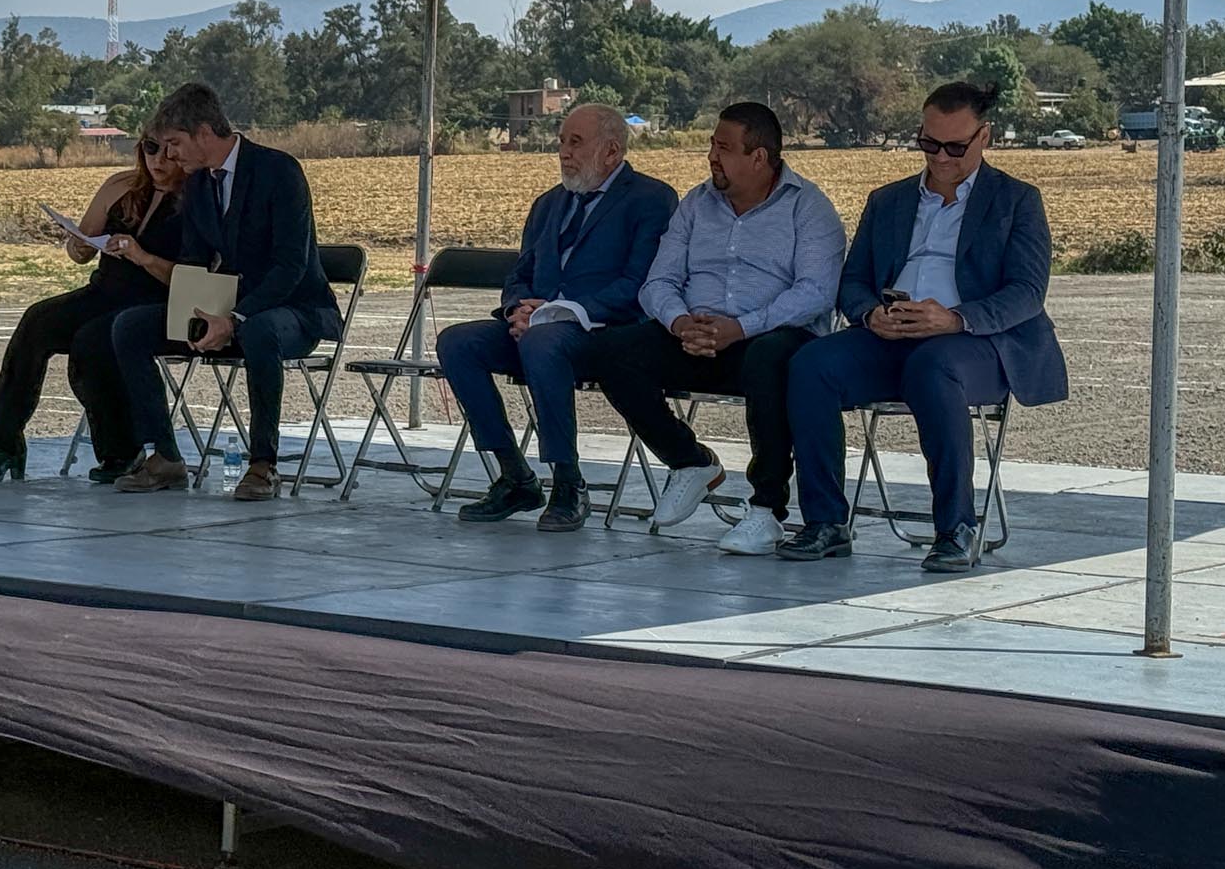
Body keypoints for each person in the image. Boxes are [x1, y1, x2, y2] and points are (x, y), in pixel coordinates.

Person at [778, 81, 1068, 572]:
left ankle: (956, 528)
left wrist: (955, 318)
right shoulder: (888, 200)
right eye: (929, 144)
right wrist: (871, 314)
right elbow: (853, 280)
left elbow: (1026, 292)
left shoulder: (1016, 200)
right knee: (810, 364)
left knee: (933, 366)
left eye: (955, 147)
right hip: (891, 335)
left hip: (974, 343)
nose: (940, 157)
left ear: (984, 137)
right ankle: (825, 522)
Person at [587, 102, 845, 553]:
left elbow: (815, 293)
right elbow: (658, 281)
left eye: (723, 148)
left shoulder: (808, 208)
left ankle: (766, 510)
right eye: (711, 145)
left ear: (759, 157)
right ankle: (689, 461)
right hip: (697, 336)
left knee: (772, 358)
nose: (711, 157)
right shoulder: (696, 204)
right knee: (610, 350)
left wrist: (741, 327)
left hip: (769, 339)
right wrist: (680, 322)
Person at [436, 105, 678, 531]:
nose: (564, 152)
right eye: (562, 141)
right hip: (537, 329)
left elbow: (639, 284)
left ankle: (569, 483)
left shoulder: (651, 199)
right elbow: (520, 274)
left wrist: (555, 314)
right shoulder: (549, 204)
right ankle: (515, 476)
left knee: (543, 341)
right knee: (458, 342)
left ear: (611, 151)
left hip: (605, 334)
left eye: (576, 143)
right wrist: (517, 309)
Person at [108, 82, 342, 500]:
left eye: (175, 143)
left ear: (203, 133)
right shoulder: (198, 185)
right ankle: (164, 456)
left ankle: (263, 464)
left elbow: (290, 265)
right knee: (130, 327)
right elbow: (195, 261)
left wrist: (234, 319)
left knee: (259, 330)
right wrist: (192, 311)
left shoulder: (279, 171)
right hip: (226, 308)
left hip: (291, 309)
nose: (170, 156)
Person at [0, 132, 188, 484]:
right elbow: (80, 248)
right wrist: (80, 245)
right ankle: (5, 442)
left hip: (151, 300)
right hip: (103, 291)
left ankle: (121, 451)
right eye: (150, 148)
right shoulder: (120, 185)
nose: (158, 160)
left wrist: (142, 257)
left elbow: (191, 275)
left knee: (94, 339)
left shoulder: (194, 198)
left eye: (169, 152)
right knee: (37, 320)